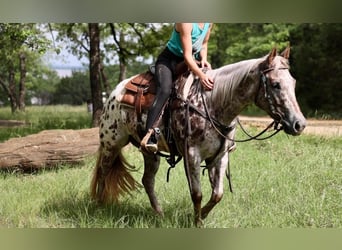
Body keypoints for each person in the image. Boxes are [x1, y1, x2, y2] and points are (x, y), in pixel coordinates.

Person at [140, 23, 214, 153]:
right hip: (170, 61)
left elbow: (203, 44)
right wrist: (201, 75)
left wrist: (203, 59)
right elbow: (187, 56)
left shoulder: (209, 22)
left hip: (193, 60)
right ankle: (149, 135)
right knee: (165, 90)